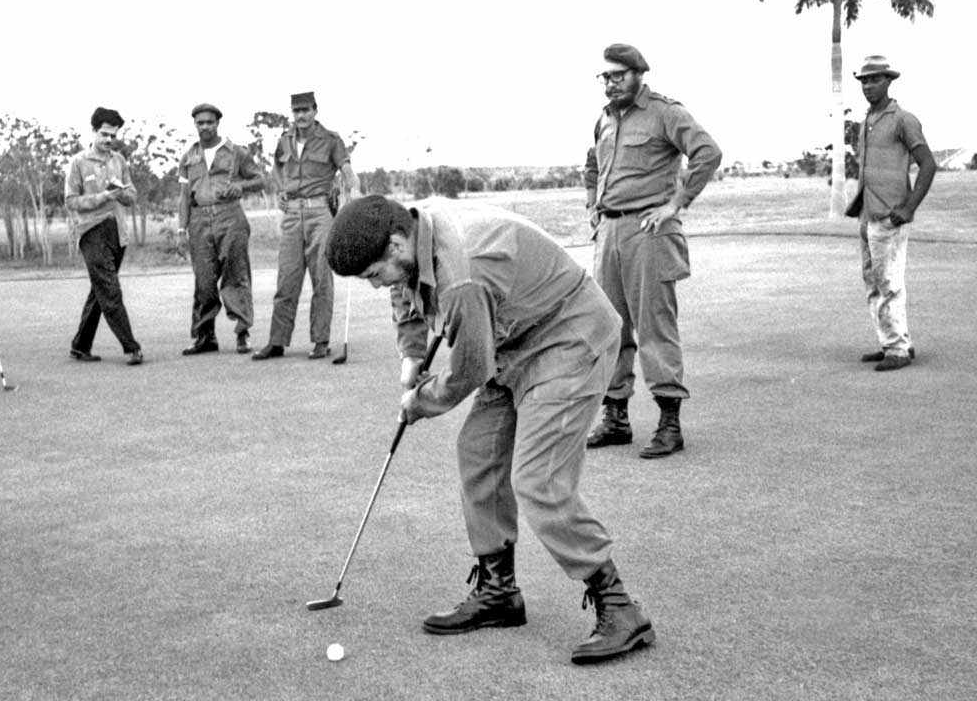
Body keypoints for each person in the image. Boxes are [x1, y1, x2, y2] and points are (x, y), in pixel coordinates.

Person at [325, 195, 656, 665]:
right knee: (478, 452)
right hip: (514, 337)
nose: (377, 286)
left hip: (568, 336)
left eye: (374, 274)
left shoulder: (462, 272)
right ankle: (500, 592)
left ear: (397, 244)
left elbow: (470, 370)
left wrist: (419, 401)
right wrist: (410, 358)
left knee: (538, 479)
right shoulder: (408, 234)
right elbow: (405, 295)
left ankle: (620, 607)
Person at [584, 44, 722, 458]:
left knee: (654, 327)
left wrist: (674, 206)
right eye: (605, 77)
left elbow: (707, 153)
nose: (611, 83)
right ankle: (616, 418)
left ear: (639, 74)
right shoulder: (605, 120)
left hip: (649, 233)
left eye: (618, 76)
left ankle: (669, 422)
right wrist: (593, 206)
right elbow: (592, 166)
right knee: (609, 327)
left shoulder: (665, 113)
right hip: (608, 233)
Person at [252, 92, 360, 361]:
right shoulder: (285, 140)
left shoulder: (331, 140)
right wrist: (281, 190)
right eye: (296, 111)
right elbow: (277, 168)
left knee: (321, 278)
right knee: (286, 279)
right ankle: (277, 342)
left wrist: (354, 191)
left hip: (320, 214)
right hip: (291, 216)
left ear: (315, 111)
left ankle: (321, 340)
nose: (300, 116)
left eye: (305, 111)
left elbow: (347, 172)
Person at [845, 55, 936, 371]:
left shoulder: (903, 119)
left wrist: (909, 208)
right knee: (872, 280)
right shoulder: (868, 121)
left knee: (889, 280)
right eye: (864, 81)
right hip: (868, 214)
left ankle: (898, 349)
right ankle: (893, 343)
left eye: (875, 79)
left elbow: (928, 164)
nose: (868, 85)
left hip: (891, 215)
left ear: (889, 81)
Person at [176, 103, 264, 356]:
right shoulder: (189, 156)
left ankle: (242, 333)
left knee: (235, 275)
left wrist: (241, 186)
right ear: (195, 124)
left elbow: (259, 179)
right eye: (200, 123)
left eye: (209, 122)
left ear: (217, 123)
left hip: (230, 217)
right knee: (204, 280)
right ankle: (205, 336)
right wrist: (181, 231)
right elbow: (183, 197)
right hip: (199, 220)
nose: (205, 127)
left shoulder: (236, 152)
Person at [64, 107, 143, 366]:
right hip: (91, 231)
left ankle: (80, 345)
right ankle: (131, 347)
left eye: (113, 135)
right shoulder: (79, 162)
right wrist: (102, 197)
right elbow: (71, 201)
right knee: (110, 289)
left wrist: (120, 193)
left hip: (116, 231)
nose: (109, 140)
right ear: (94, 131)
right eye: (104, 134)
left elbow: (131, 196)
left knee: (100, 289)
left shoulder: (119, 161)